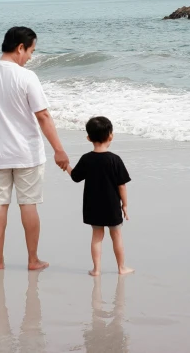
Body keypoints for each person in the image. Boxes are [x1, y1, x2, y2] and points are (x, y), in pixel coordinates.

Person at [0, 26, 70, 271]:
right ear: (20, 47)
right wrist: (59, 149)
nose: (31, 57)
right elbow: (43, 115)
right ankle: (33, 260)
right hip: (27, 153)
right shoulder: (26, 77)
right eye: (31, 51)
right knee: (28, 205)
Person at [66, 116, 135, 276]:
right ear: (111, 135)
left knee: (97, 236)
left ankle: (96, 269)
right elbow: (122, 185)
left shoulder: (86, 158)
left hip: (92, 205)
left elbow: (75, 176)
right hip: (111, 206)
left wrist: (66, 166)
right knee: (116, 235)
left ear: (89, 138)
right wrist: (124, 205)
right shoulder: (115, 160)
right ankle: (121, 267)